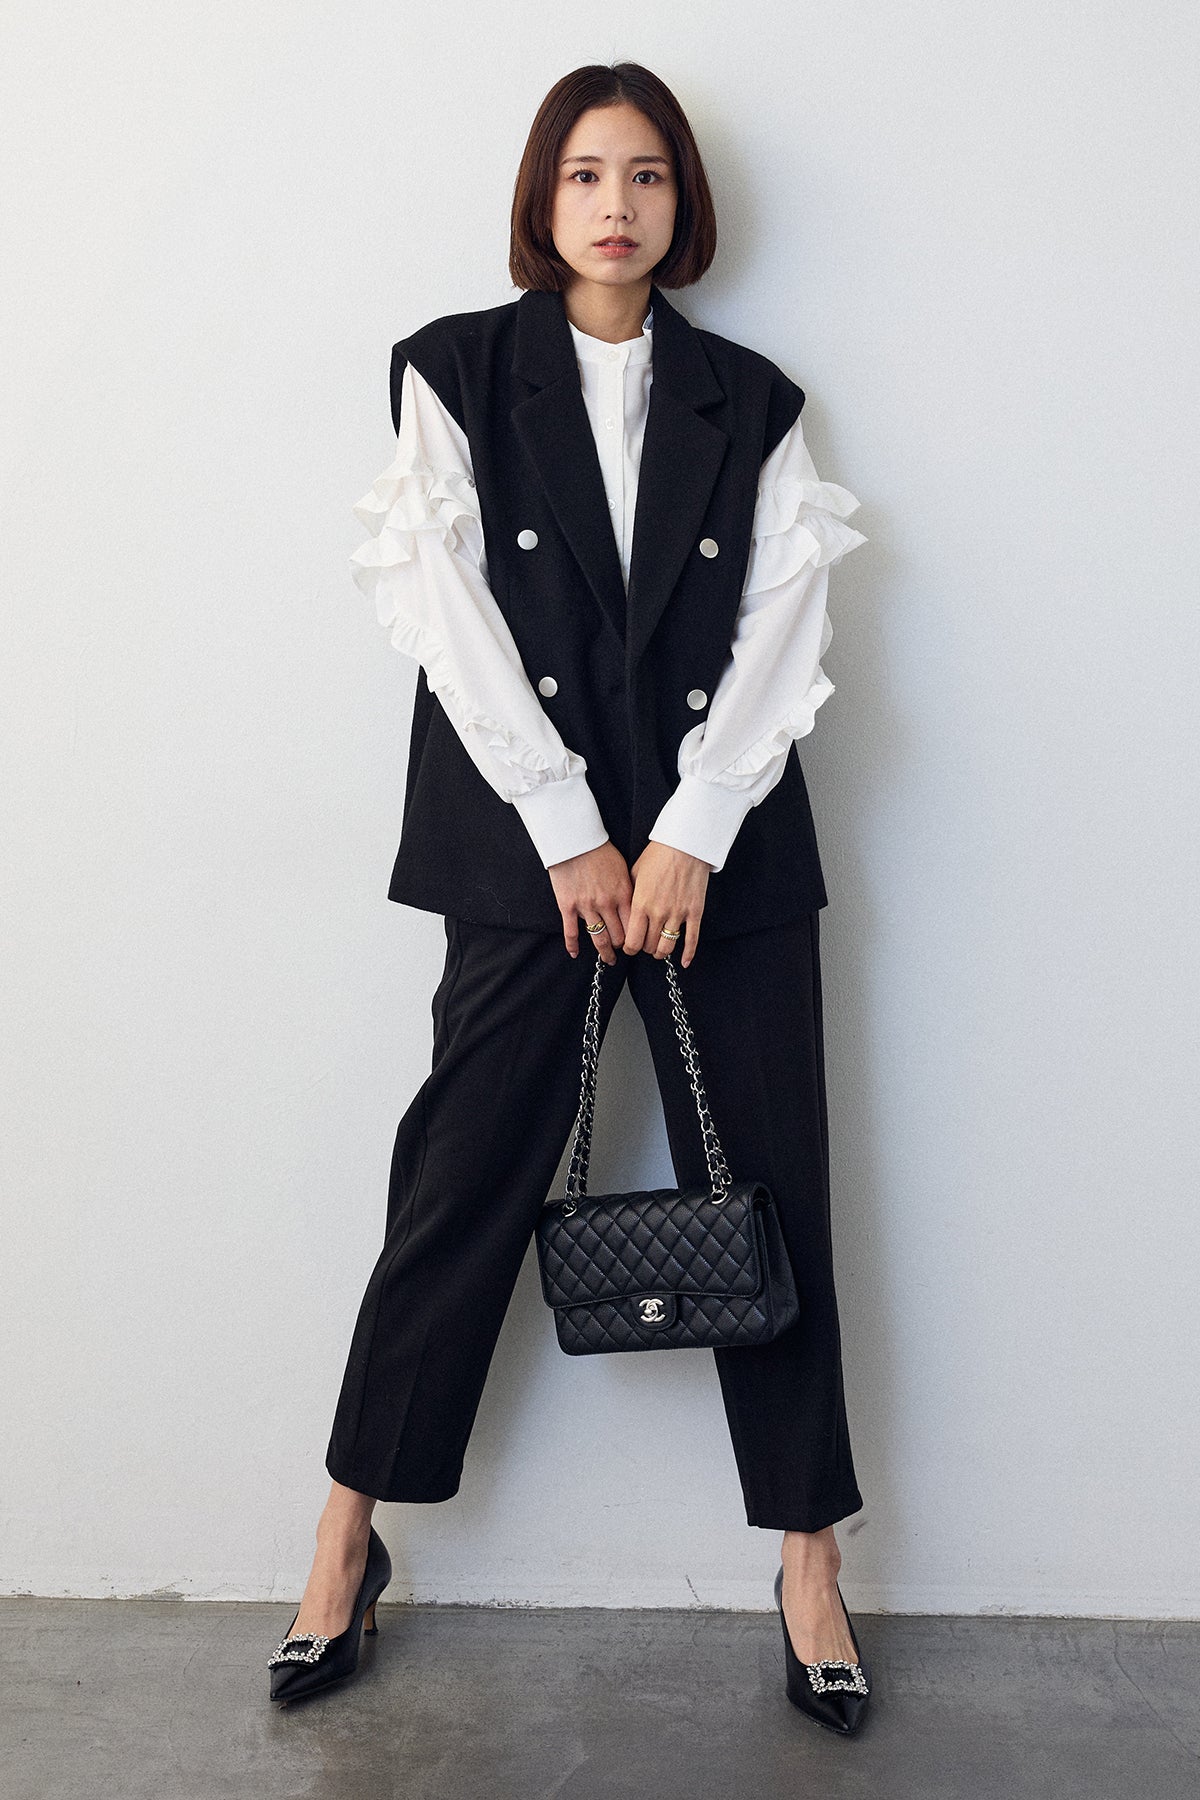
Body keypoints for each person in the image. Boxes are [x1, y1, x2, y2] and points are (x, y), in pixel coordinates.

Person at [267, 62, 872, 1733]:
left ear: (684, 205)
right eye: (589, 173)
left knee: (774, 1188)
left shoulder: (753, 400)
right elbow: (444, 613)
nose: (619, 203)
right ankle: (343, 1541)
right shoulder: (455, 371)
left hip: (720, 859)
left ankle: (810, 1562)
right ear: (544, 197)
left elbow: (789, 622)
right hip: (525, 857)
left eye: (649, 175)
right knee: (459, 1178)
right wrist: (567, 827)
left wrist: (689, 830)